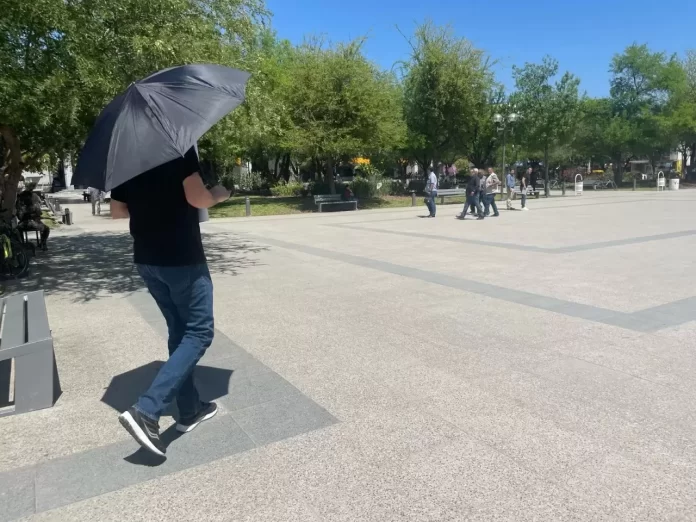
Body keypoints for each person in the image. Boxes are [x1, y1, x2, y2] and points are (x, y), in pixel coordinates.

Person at [111, 147, 231, 457]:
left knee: (179, 331)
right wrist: (219, 194)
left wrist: (149, 205)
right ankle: (147, 410)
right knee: (199, 332)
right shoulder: (177, 147)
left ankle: (190, 410)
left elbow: (117, 210)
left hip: (146, 259)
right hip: (181, 257)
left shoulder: (124, 154)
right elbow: (198, 199)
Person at [16, 183, 49, 250]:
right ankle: (43, 243)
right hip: (35, 223)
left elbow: (19, 216)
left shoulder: (20, 203)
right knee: (46, 229)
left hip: (23, 224)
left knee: (17, 230)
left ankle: (22, 244)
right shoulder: (34, 202)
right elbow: (39, 212)